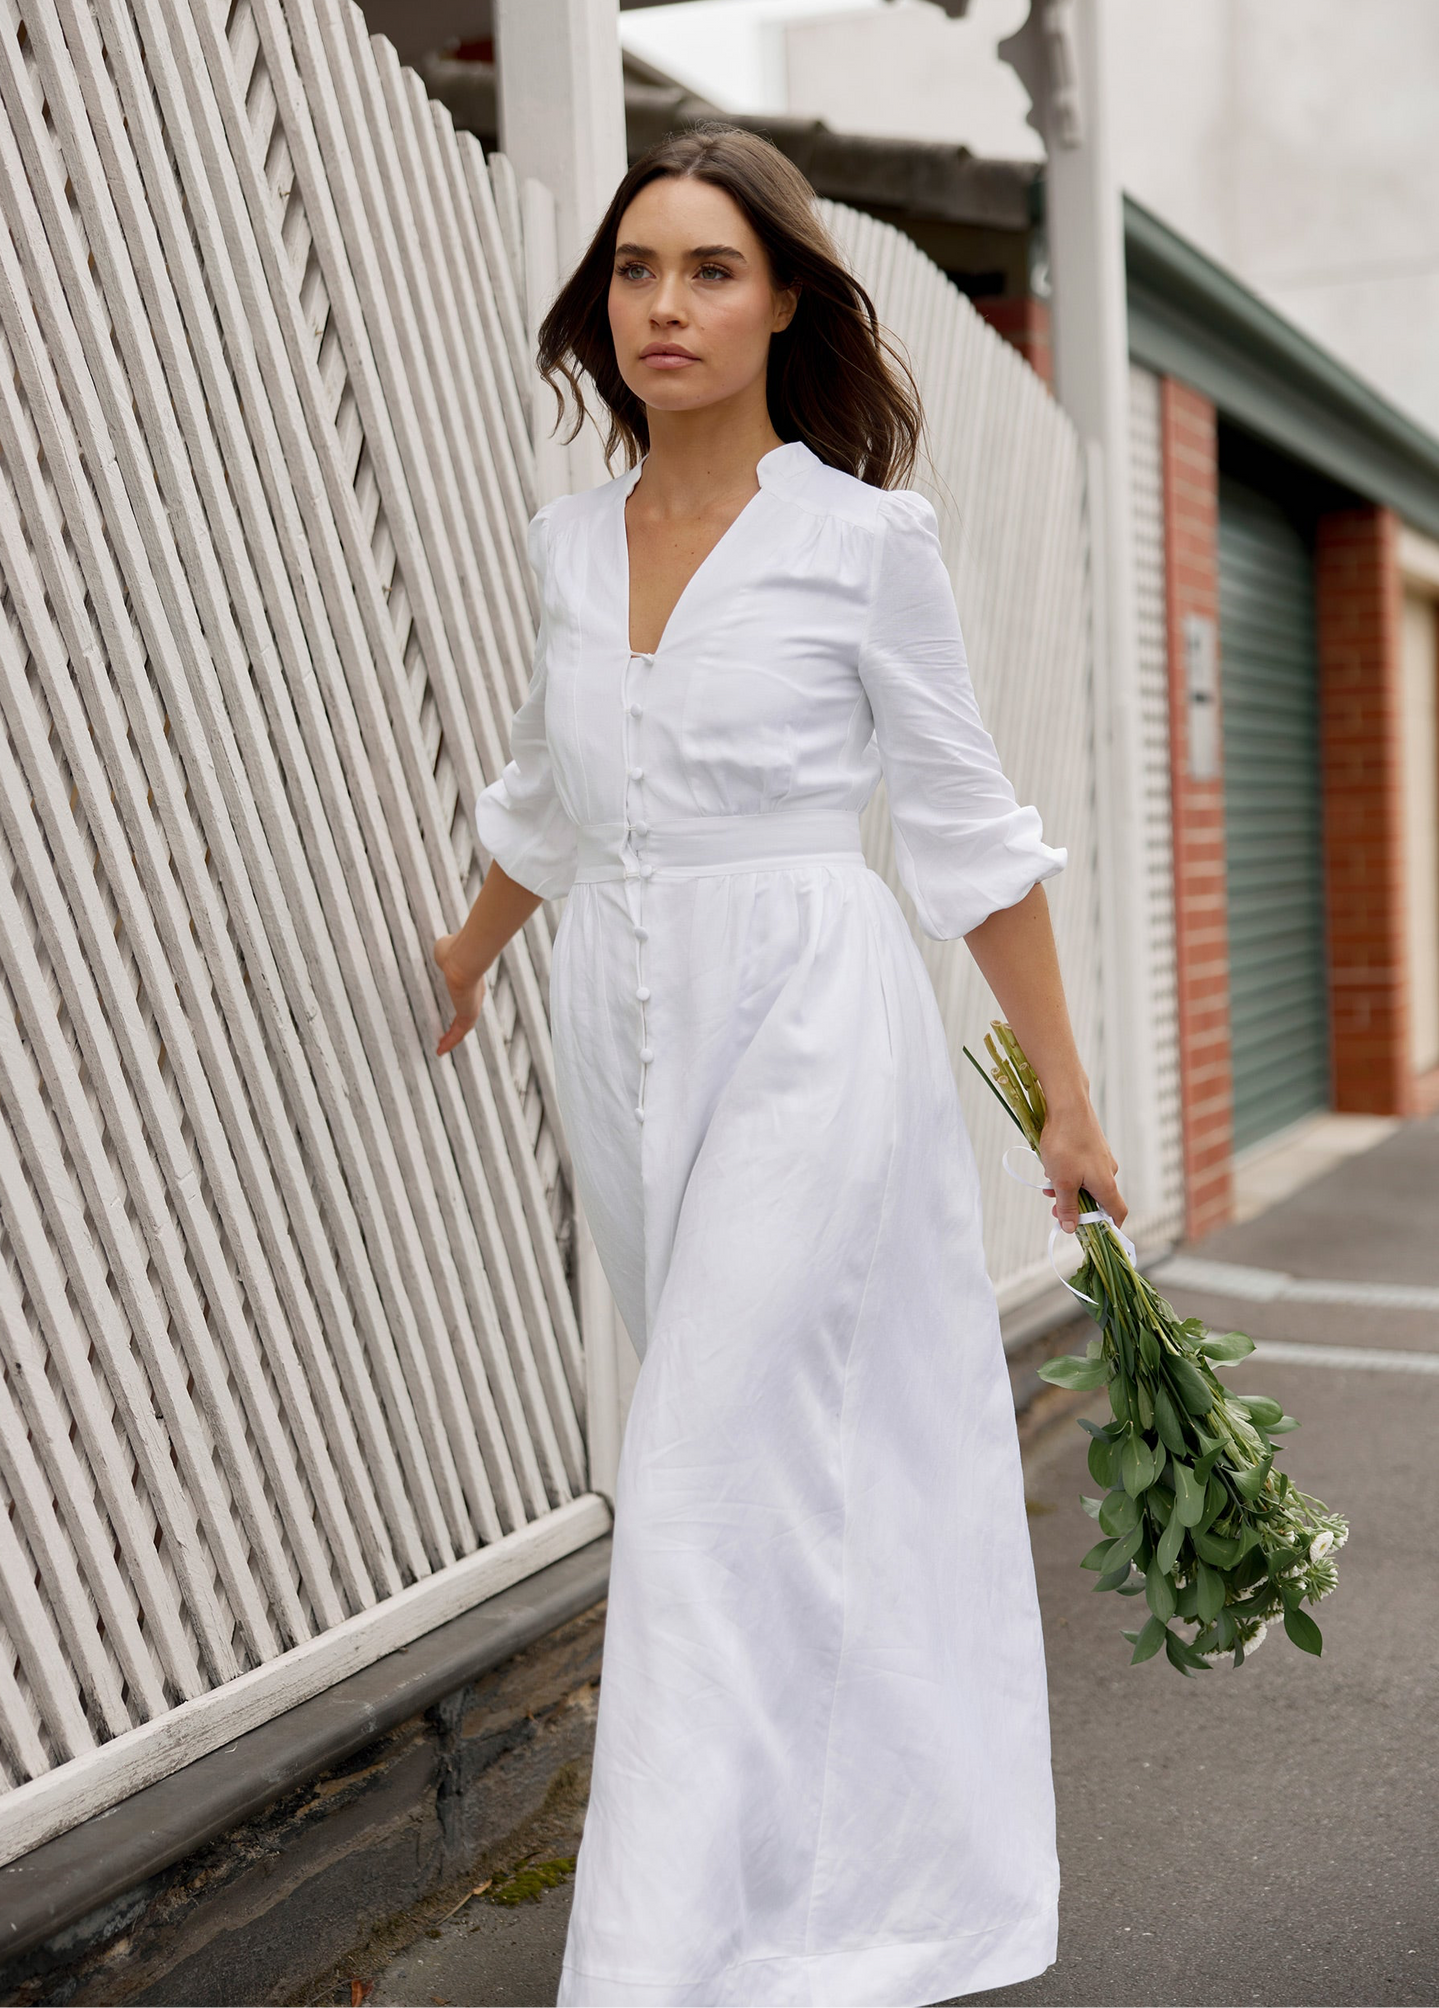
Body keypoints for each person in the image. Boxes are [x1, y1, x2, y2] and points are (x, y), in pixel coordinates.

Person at [433, 122, 1125, 2008]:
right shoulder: (567, 544)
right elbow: (550, 795)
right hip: (621, 1022)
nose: (665, 303)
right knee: (769, 1474)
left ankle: (657, 1957)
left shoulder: (864, 541)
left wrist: (1066, 1099)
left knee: (693, 1471)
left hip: (815, 1019)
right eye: (636, 268)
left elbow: (971, 833)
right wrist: (467, 958)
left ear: (787, 303)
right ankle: (835, 1884)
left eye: (712, 270)